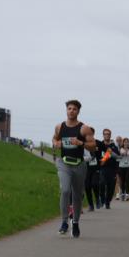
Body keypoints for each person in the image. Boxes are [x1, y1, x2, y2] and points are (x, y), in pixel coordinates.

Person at [52, 100, 96, 238]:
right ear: (66, 110)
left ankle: (75, 222)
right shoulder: (60, 127)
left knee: (77, 196)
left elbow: (93, 146)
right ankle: (64, 222)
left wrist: (80, 143)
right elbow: (54, 139)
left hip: (79, 165)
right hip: (64, 163)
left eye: (74, 109)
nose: (71, 111)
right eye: (69, 108)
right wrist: (57, 143)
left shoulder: (84, 128)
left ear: (78, 111)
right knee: (65, 191)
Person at [96, 129, 120, 209]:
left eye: (108, 134)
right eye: (105, 134)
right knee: (102, 183)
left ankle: (108, 202)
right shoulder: (100, 144)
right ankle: (102, 199)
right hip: (102, 168)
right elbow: (96, 155)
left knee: (111, 187)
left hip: (112, 169)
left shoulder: (114, 146)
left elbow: (118, 157)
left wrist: (117, 170)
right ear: (103, 135)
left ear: (110, 135)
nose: (107, 135)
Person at [83, 127, 100, 212]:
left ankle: (97, 199)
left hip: (96, 167)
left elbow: (108, 151)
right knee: (87, 186)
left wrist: (103, 160)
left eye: (90, 134)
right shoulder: (82, 144)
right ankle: (90, 205)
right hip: (86, 168)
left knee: (94, 184)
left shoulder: (98, 143)